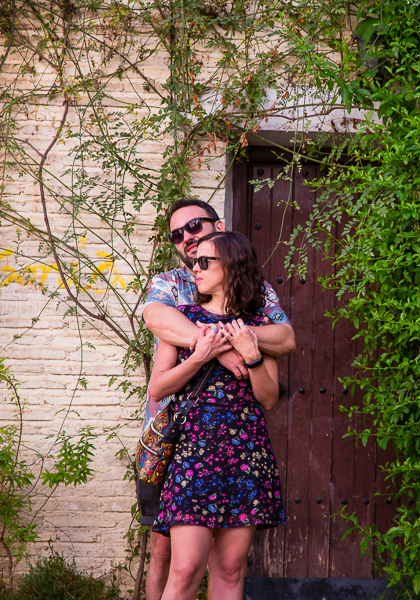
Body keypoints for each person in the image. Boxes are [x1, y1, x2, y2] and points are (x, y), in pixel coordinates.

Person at [138, 199, 295, 600]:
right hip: (192, 452)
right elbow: (157, 384)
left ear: (231, 264)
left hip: (244, 453)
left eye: (194, 229)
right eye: (178, 236)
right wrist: (208, 351)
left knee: (229, 569)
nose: (193, 259)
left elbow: (270, 394)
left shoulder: (257, 319)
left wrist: (252, 350)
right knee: (184, 566)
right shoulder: (181, 304)